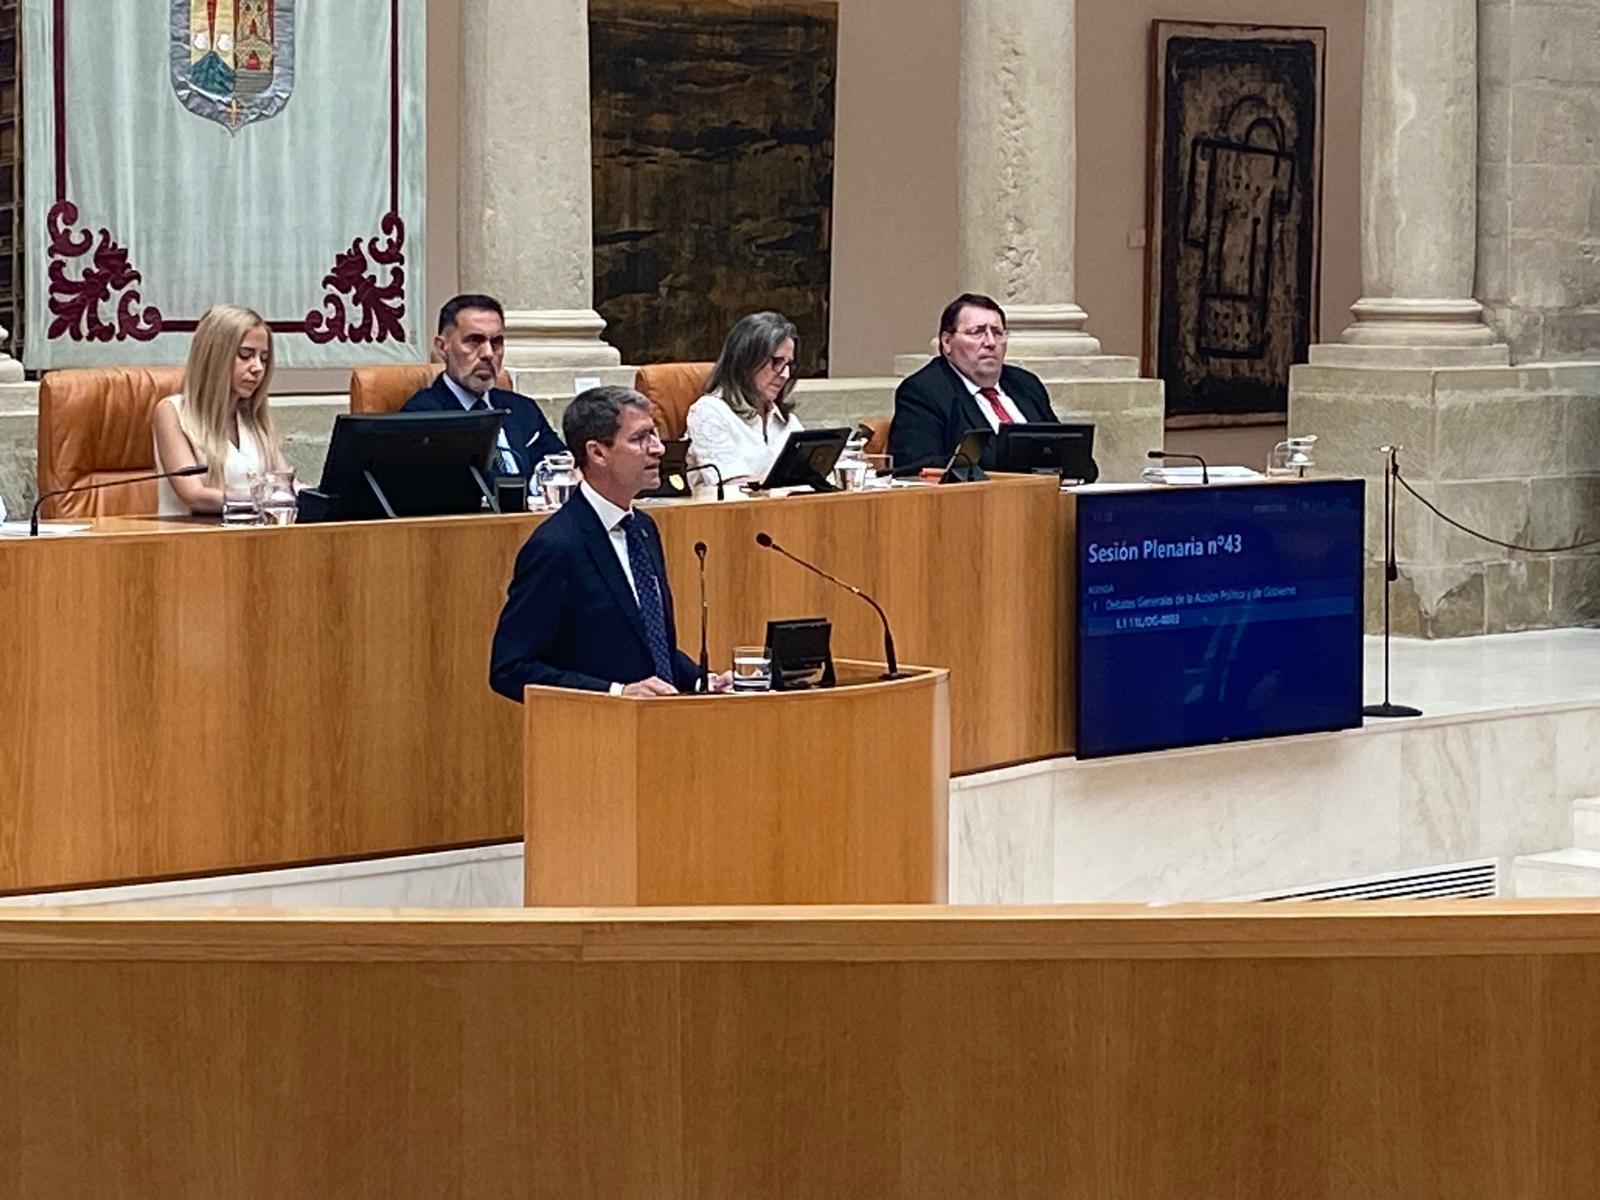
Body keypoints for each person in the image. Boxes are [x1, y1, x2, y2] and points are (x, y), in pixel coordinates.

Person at [490, 386, 728, 698]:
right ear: (597, 452)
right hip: (596, 736)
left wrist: (700, 680)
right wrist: (615, 693)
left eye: (654, 435)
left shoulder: (643, 528)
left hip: (658, 728)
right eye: (640, 438)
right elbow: (511, 668)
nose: (657, 448)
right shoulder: (556, 546)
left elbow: (651, 647)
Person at [888, 292, 1061, 471]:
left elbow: (1072, 455)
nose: (991, 342)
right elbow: (918, 469)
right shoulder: (923, 391)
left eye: (997, 333)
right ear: (947, 342)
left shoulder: (1026, 384)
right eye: (977, 332)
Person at [152, 304, 294, 516]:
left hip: (251, 540)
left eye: (263, 358)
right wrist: (265, 498)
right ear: (214, 357)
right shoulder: (172, 411)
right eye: (246, 355)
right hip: (193, 543)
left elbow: (286, 484)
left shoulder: (252, 419)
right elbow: (194, 495)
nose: (258, 368)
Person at [402, 293, 565, 477]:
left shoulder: (522, 408)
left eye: (496, 343)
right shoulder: (422, 416)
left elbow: (561, 465)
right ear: (442, 347)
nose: (488, 353)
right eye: (474, 341)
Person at [685, 311, 804, 486]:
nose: (785, 375)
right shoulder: (709, 412)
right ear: (746, 360)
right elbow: (732, 486)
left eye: (789, 365)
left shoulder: (788, 422)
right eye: (776, 362)